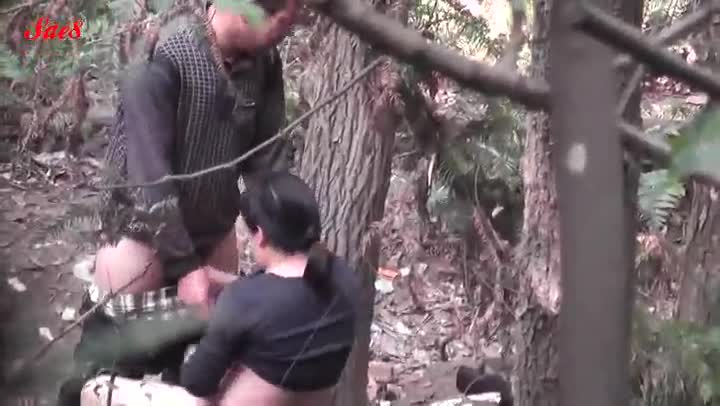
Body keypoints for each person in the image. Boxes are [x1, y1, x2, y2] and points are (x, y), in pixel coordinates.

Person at [57, 1, 297, 405]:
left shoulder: (265, 63)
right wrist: (185, 268)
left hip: (213, 239)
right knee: (103, 383)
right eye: (278, 20)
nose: (283, 31)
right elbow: (149, 177)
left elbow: (265, 163)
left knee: (198, 383)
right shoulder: (161, 50)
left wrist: (287, 247)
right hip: (142, 243)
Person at [179, 171, 360, 406]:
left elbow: (197, 382)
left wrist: (210, 321)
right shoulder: (344, 277)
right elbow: (291, 298)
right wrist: (230, 283)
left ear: (261, 235)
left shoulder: (242, 302)